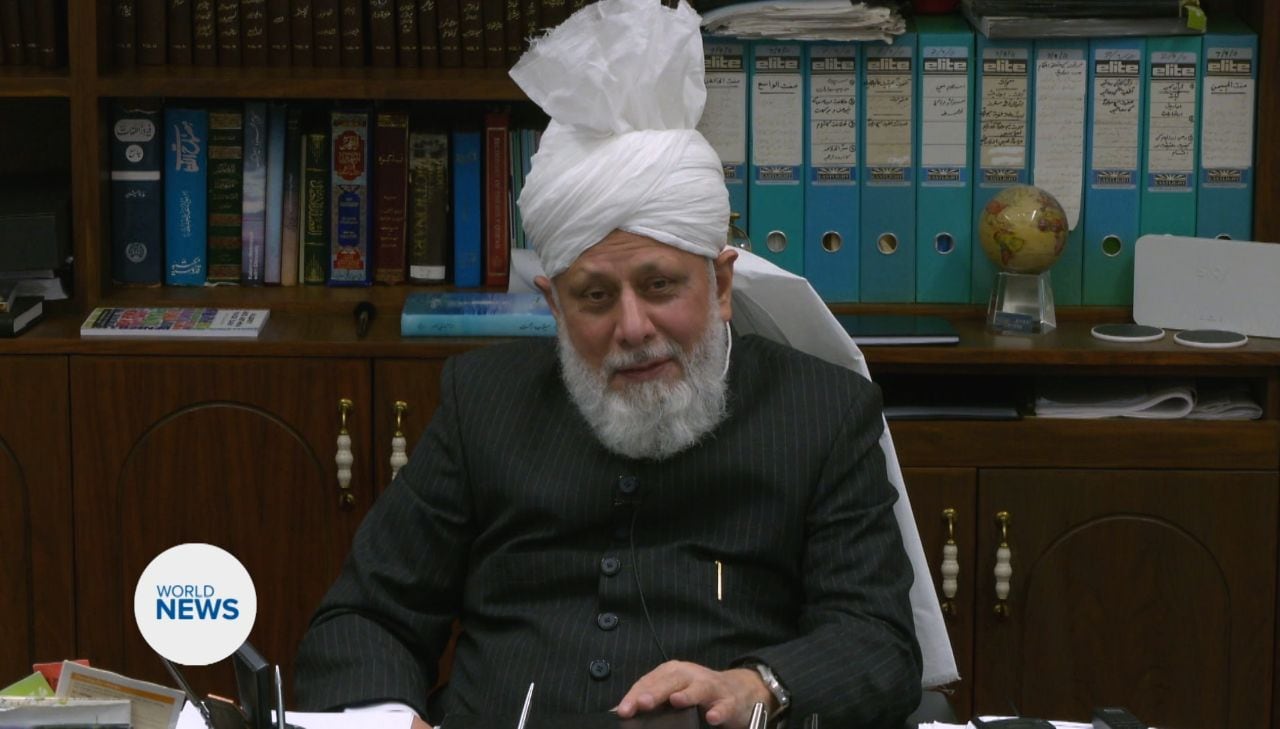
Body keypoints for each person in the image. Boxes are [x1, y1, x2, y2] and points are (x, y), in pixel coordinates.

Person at [294, 1, 926, 726]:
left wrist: (759, 686)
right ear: (554, 304)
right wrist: (384, 715)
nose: (632, 328)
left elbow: (876, 644)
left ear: (720, 285)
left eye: (660, 287)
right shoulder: (485, 401)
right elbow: (367, 615)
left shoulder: (822, 413)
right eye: (594, 296)